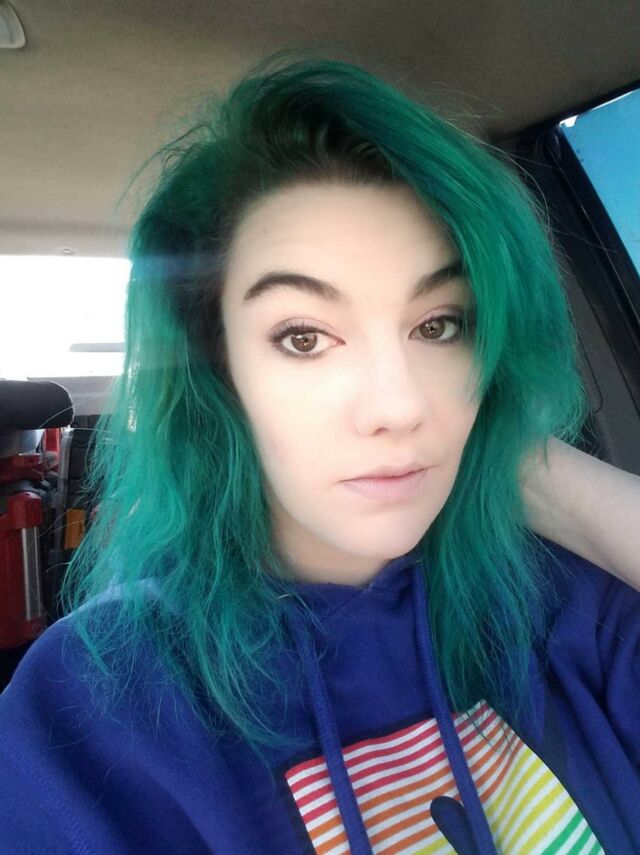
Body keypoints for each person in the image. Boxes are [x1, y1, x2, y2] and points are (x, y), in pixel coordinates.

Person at [1, 52, 639, 855]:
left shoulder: (565, 601)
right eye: (303, 337)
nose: (400, 405)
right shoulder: (92, 708)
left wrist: (517, 457)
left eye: (439, 324)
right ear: (220, 370)